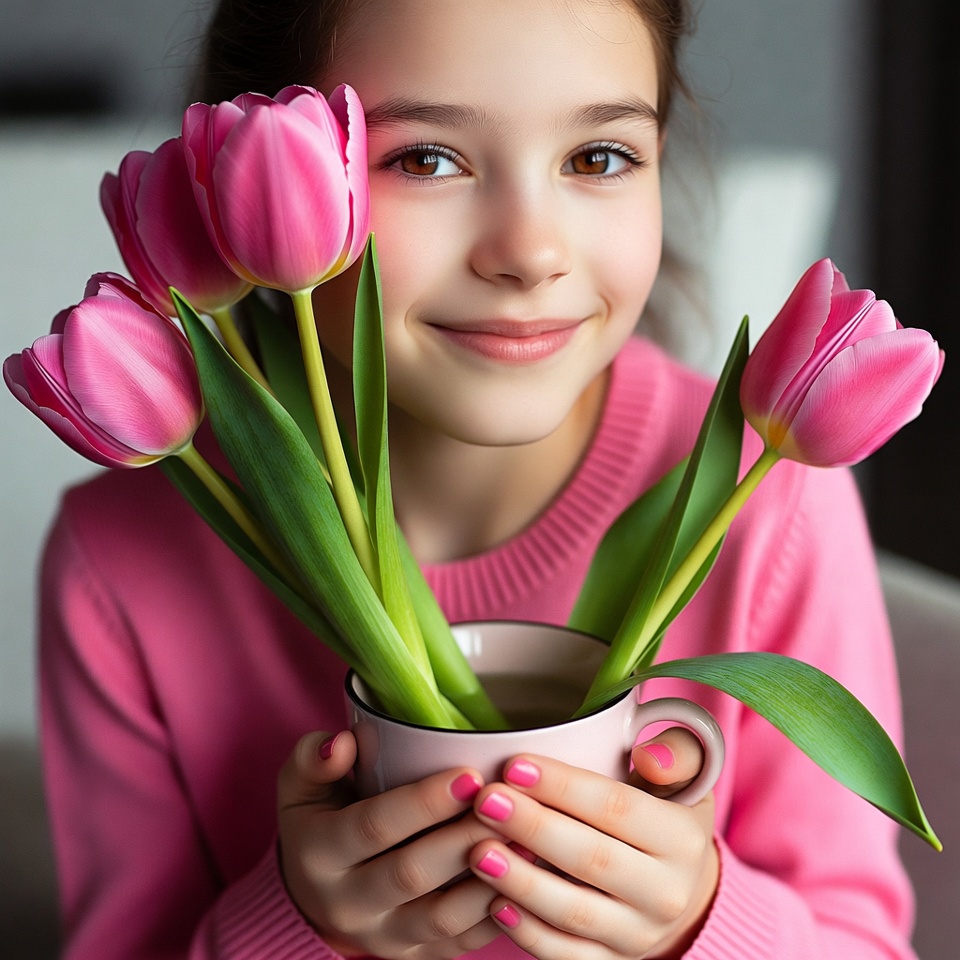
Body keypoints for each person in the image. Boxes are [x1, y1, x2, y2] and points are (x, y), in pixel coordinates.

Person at [37, 0, 917, 957]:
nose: (530, 254)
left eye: (599, 157)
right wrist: (296, 924)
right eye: (425, 159)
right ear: (240, 190)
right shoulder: (119, 559)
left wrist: (696, 919)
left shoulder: (770, 502)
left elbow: (864, 941)